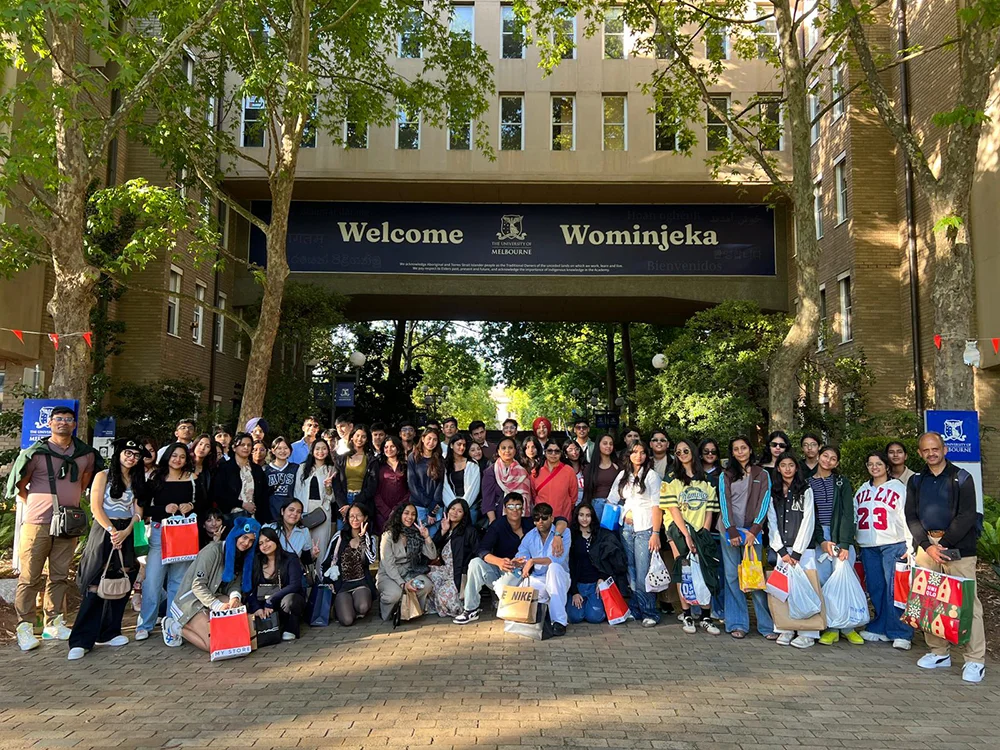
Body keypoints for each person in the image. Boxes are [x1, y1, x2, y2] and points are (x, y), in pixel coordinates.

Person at [7, 406, 102, 651]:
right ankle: (25, 626)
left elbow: (84, 482)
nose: (63, 422)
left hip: (68, 522)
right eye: (58, 419)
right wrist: (38, 505)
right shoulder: (35, 453)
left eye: (68, 419)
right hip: (37, 522)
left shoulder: (85, 454)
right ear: (49, 423)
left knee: (59, 575)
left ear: (75, 424)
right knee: (30, 576)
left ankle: (54, 622)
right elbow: (21, 486)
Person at [905, 432, 985, 683]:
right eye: (926, 450)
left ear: (944, 449)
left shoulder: (962, 477)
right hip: (927, 547)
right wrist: (927, 546)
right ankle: (939, 652)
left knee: (967, 603)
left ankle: (975, 659)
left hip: (958, 547)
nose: (931, 453)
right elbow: (911, 516)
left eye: (935, 449)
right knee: (929, 600)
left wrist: (944, 544)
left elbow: (967, 515)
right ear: (920, 453)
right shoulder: (916, 480)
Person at [66, 439, 147, 660]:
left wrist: (126, 531)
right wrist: (112, 531)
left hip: (127, 530)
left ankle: (110, 632)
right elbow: (95, 507)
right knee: (95, 582)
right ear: (119, 454)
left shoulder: (137, 479)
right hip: (104, 530)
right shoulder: (103, 476)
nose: (131, 458)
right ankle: (81, 640)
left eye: (136, 455)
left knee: (123, 577)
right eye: (128, 453)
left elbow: (138, 512)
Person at [135, 441, 206, 640]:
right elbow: (144, 507)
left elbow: (204, 504)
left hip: (184, 535)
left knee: (178, 581)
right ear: (167, 456)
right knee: (152, 581)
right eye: (174, 455)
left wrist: (191, 505)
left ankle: (172, 624)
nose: (178, 460)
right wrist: (163, 509)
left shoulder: (193, 479)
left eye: (182, 456)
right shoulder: (155, 478)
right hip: (160, 533)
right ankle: (145, 624)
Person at [161, 516, 260, 650]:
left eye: (251, 541)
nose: (246, 543)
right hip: (190, 601)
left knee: (238, 612)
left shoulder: (242, 556)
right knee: (213, 644)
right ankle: (174, 627)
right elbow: (197, 585)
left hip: (214, 595)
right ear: (236, 534)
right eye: (244, 537)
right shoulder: (212, 550)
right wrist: (216, 605)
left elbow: (235, 583)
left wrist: (234, 597)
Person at [660, 438, 721, 635]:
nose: (682, 455)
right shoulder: (671, 478)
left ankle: (705, 616)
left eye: (685, 450)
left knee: (705, 568)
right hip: (678, 529)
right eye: (678, 452)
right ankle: (686, 613)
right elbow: (673, 508)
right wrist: (686, 534)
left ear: (693, 452)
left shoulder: (707, 479)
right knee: (684, 569)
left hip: (700, 528)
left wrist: (703, 532)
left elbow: (710, 509)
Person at [717, 435, 775, 639]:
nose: (740, 452)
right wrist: (731, 530)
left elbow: (764, 502)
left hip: (753, 532)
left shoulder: (762, 474)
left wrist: (755, 529)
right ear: (732, 453)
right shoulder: (726, 474)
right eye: (736, 449)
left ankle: (766, 626)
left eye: (744, 447)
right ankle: (737, 623)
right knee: (732, 576)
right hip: (729, 531)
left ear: (750, 450)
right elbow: (724, 502)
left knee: (755, 576)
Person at [854, 450, 913, 650]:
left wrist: (910, 544)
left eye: (878, 463)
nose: (874, 467)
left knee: (895, 589)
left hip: (894, 544)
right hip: (868, 546)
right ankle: (879, 627)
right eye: (870, 464)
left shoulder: (898, 488)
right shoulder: (862, 490)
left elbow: (906, 516)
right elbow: (854, 515)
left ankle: (901, 631)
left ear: (887, 466)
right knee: (876, 588)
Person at [808, 444, 862, 646]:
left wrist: (845, 544)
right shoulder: (807, 483)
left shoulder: (841, 482)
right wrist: (821, 540)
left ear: (837, 462)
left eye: (833, 458)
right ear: (818, 456)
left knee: (844, 580)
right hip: (818, 537)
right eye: (825, 456)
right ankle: (831, 627)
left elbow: (848, 513)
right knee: (824, 582)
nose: (827, 460)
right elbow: (810, 515)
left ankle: (848, 627)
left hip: (840, 534)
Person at [765, 453, 818, 648]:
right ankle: (785, 628)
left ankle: (808, 632)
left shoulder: (805, 490)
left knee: (807, 588)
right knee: (782, 590)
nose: (787, 469)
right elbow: (771, 521)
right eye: (783, 465)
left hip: (803, 550)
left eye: (791, 465)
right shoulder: (774, 491)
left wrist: (797, 552)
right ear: (778, 468)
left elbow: (808, 520)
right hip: (782, 550)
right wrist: (781, 550)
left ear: (797, 468)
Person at [609, 439, 662, 627]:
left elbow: (657, 506)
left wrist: (656, 533)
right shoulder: (623, 475)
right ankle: (636, 608)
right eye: (634, 452)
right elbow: (612, 499)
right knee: (631, 570)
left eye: (642, 452)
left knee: (643, 571)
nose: (638, 456)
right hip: (626, 529)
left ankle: (650, 611)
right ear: (628, 454)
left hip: (645, 528)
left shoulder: (652, 476)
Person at [453, 492, 528, 624]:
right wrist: (499, 562)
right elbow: (482, 550)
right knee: (475, 563)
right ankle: (471, 609)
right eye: (511, 506)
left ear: (523, 508)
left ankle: (509, 604)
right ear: (505, 509)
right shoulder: (498, 525)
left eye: (518, 506)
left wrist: (557, 535)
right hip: (502, 570)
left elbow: (557, 520)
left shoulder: (530, 524)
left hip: (524, 571)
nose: (515, 510)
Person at [514, 502, 571, 636]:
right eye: (537, 518)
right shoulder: (530, 536)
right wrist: (517, 562)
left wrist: (532, 561)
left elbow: (556, 560)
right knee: (521, 590)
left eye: (544, 518)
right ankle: (541, 614)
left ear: (552, 518)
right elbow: (522, 555)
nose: (540, 521)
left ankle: (559, 622)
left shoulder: (564, 533)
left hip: (559, 577)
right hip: (539, 578)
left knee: (554, 568)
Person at [567, 503, 629, 625]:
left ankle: (591, 606)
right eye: (581, 515)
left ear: (592, 517)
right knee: (575, 617)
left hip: (595, 585)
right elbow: (571, 565)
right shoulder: (572, 536)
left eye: (588, 515)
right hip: (579, 584)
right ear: (577, 516)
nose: (584, 519)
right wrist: (574, 591)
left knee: (595, 617)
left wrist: (602, 578)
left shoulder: (600, 535)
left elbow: (608, 560)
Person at [376, 503, 437, 621]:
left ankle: (411, 610)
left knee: (426, 585)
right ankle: (388, 611)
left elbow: (432, 555)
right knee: (396, 594)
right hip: (389, 575)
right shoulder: (388, 535)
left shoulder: (416, 534)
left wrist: (426, 537)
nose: (410, 517)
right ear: (400, 515)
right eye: (406, 513)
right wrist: (403, 585)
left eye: (413, 514)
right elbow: (388, 565)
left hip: (410, 573)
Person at [321, 504, 378, 626]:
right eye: (351, 516)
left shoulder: (370, 538)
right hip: (342, 585)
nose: (355, 519)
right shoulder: (339, 537)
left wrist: (363, 539)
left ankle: (355, 606)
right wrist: (328, 582)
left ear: (365, 518)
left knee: (362, 606)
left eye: (359, 516)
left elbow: (371, 560)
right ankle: (342, 607)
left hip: (361, 583)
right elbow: (326, 561)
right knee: (347, 620)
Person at [249, 526, 306, 641]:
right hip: (265, 605)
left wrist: (271, 600)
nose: (265, 545)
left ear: (275, 540)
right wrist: (257, 608)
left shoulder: (290, 558)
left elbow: (294, 585)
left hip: (283, 602)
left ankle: (290, 629)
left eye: (268, 540)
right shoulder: (257, 562)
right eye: (261, 543)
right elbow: (252, 589)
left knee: (291, 600)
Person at [428, 499, 480, 618]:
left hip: (458, 572)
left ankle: (462, 603)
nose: (454, 513)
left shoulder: (470, 531)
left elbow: (477, 552)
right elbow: (433, 548)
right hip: (445, 569)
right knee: (427, 577)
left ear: (464, 514)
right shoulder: (446, 527)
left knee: (444, 598)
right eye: (452, 509)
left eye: (459, 511)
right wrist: (443, 531)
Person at [293, 437, 338, 561]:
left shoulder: (331, 469)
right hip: (305, 509)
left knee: (320, 545)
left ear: (328, 451)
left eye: (324, 449)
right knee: (304, 544)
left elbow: (333, 498)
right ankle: (304, 572)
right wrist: (298, 511)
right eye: (317, 449)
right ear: (312, 451)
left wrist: (328, 487)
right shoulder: (303, 468)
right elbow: (297, 491)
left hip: (322, 510)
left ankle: (320, 572)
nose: (320, 451)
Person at [212, 432, 269, 522]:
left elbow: (263, 495)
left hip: (254, 518)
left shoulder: (257, 469)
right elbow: (219, 493)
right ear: (234, 447)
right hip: (230, 517)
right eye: (242, 445)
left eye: (249, 445)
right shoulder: (224, 468)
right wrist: (241, 504)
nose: (246, 447)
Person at [698, 437, 725, 622]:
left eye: (713, 451)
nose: (709, 454)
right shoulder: (694, 474)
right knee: (698, 570)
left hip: (718, 528)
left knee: (719, 571)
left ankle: (719, 608)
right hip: (697, 528)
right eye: (706, 451)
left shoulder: (723, 474)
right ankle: (699, 608)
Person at [333, 425, 378, 527]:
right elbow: (337, 484)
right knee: (342, 533)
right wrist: (344, 505)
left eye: (363, 436)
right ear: (352, 437)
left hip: (362, 500)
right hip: (344, 500)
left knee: (360, 533)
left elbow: (372, 486)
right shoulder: (341, 458)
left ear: (367, 439)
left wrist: (353, 505)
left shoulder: (371, 460)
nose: (360, 439)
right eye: (357, 435)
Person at [481, 437, 533, 523]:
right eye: (503, 448)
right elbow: (487, 499)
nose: (507, 451)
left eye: (510, 448)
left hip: (521, 517)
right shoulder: (491, 472)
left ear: (515, 451)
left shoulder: (523, 472)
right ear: (498, 451)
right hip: (499, 517)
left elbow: (527, 498)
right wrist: (493, 522)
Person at [407, 429, 445, 535]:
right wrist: (427, 503)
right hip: (418, 505)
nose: (431, 442)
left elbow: (440, 485)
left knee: (433, 538)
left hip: (436, 505)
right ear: (423, 439)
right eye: (429, 438)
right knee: (418, 537)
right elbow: (412, 483)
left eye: (435, 440)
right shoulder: (413, 457)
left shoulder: (440, 459)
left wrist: (433, 509)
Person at [530, 439, 578, 525]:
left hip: (562, 518)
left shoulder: (569, 471)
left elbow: (573, 497)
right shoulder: (535, 472)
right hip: (542, 519)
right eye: (550, 451)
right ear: (545, 452)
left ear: (561, 453)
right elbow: (533, 496)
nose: (553, 454)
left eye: (557, 451)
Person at [265, 498, 320, 569]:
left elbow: (305, 561)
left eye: (299, 512)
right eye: (291, 510)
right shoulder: (270, 528)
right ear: (282, 511)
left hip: (294, 572)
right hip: (271, 571)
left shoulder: (304, 532)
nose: (295, 514)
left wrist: (313, 555)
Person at [374, 435, 409, 533]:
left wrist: (398, 508)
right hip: (382, 511)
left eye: (392, 446)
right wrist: (386, 511)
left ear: (398, 448)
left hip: (402, 510)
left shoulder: (405, 465)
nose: (389, 449)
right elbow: (375, 490)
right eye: (386, 447)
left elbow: (410, 488)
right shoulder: (378, 465)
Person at [581, 434, 620, 523]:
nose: (608, 446)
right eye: (605, 443)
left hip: (614, 506)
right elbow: (587, 492)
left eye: (611, 444)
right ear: (598, 445)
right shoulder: (590, 468)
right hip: (596, 506)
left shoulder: (618, 466)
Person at [443, 432, 482, 516]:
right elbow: (444, 487)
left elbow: (474, 488)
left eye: (464, 445)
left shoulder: (472, 464)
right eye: (459, 444)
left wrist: (462, 507)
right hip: (450, 503)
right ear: (451, 445)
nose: (462, 447)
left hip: (470, 505)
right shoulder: (445, 464)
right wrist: (453, 506)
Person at [265, 437, 298, 522]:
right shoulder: (266, 470)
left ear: (290, 450)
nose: (282, 451)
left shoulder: (296, 468)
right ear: (273, 450)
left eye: (286, 448)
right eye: (279, 448)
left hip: (290, 512)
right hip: (271, 512)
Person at [190, 433, 218, 501]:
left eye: (207, 446)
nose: (202, 448)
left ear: (210, 452)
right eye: (200, 444)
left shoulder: (209, 470)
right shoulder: (185, 465)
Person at [561, 440, 587, 505]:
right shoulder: (563, 470)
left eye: (576, 449)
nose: (574, 452)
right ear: (565, 454)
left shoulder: (586, 467)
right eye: (570, 450)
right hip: (570, 505)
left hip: (586, 504)